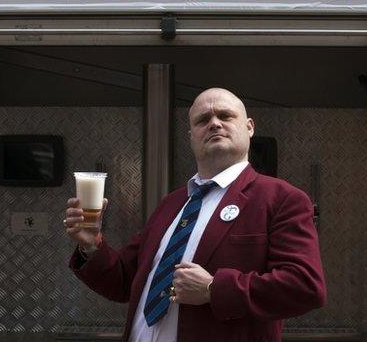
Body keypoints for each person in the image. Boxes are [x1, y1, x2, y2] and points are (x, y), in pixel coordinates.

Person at [64, 87, 326, 341]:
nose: (214, 123)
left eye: (225, 116)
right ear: (191, 136)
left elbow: (304, 286)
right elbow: (123, 283)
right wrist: (91, 245)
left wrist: (214, 289)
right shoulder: (172, 204)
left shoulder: (281, 199)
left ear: (249, 127)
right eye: (203, 120)